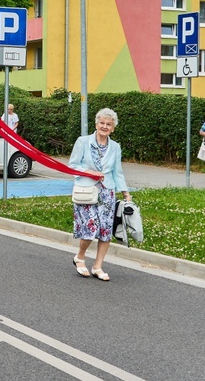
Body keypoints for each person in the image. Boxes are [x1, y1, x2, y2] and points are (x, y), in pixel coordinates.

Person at [68, 108, 131, 282]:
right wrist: (88, 172)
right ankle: (80, 257)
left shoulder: (115, 147)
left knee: (105, 231)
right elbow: (72, 165)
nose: (104, 126)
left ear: (113, 128)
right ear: (96, 124)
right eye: (102, 123)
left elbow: (118, 172)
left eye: (108, 124)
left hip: (107, 192)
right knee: (90, 228)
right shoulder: (83, 141)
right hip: (87, 191)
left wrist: (126, 193)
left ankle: (98, 266)